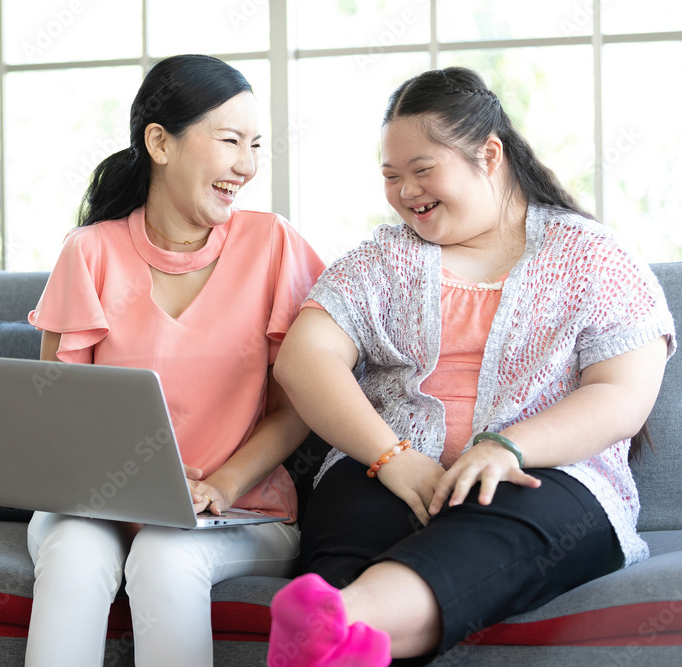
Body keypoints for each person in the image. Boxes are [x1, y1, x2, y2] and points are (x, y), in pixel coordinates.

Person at [266, 66, 676, 666]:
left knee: (499, 528)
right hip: (390, 466)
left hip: (544, 474)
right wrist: (392, 456)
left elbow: (622, 393)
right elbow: (304, 360)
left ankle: (336, 623)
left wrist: (505, 448)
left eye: (422, 170)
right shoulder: (385, 257)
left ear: (489, 155)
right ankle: (334, 627)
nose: (406, 191)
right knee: (354, 526)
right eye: (391, 176)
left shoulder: (593, 255)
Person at [24, 54, 326, 666]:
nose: (247, 165)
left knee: (166, 555)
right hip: (100, 505)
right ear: (160, 142)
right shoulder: (90, 253)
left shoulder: (274, 245)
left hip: (243, 509)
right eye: (229, 140)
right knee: (76, 559)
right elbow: (56, 410)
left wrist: (219, 485)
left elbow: (298, 408)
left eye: (255, 144)